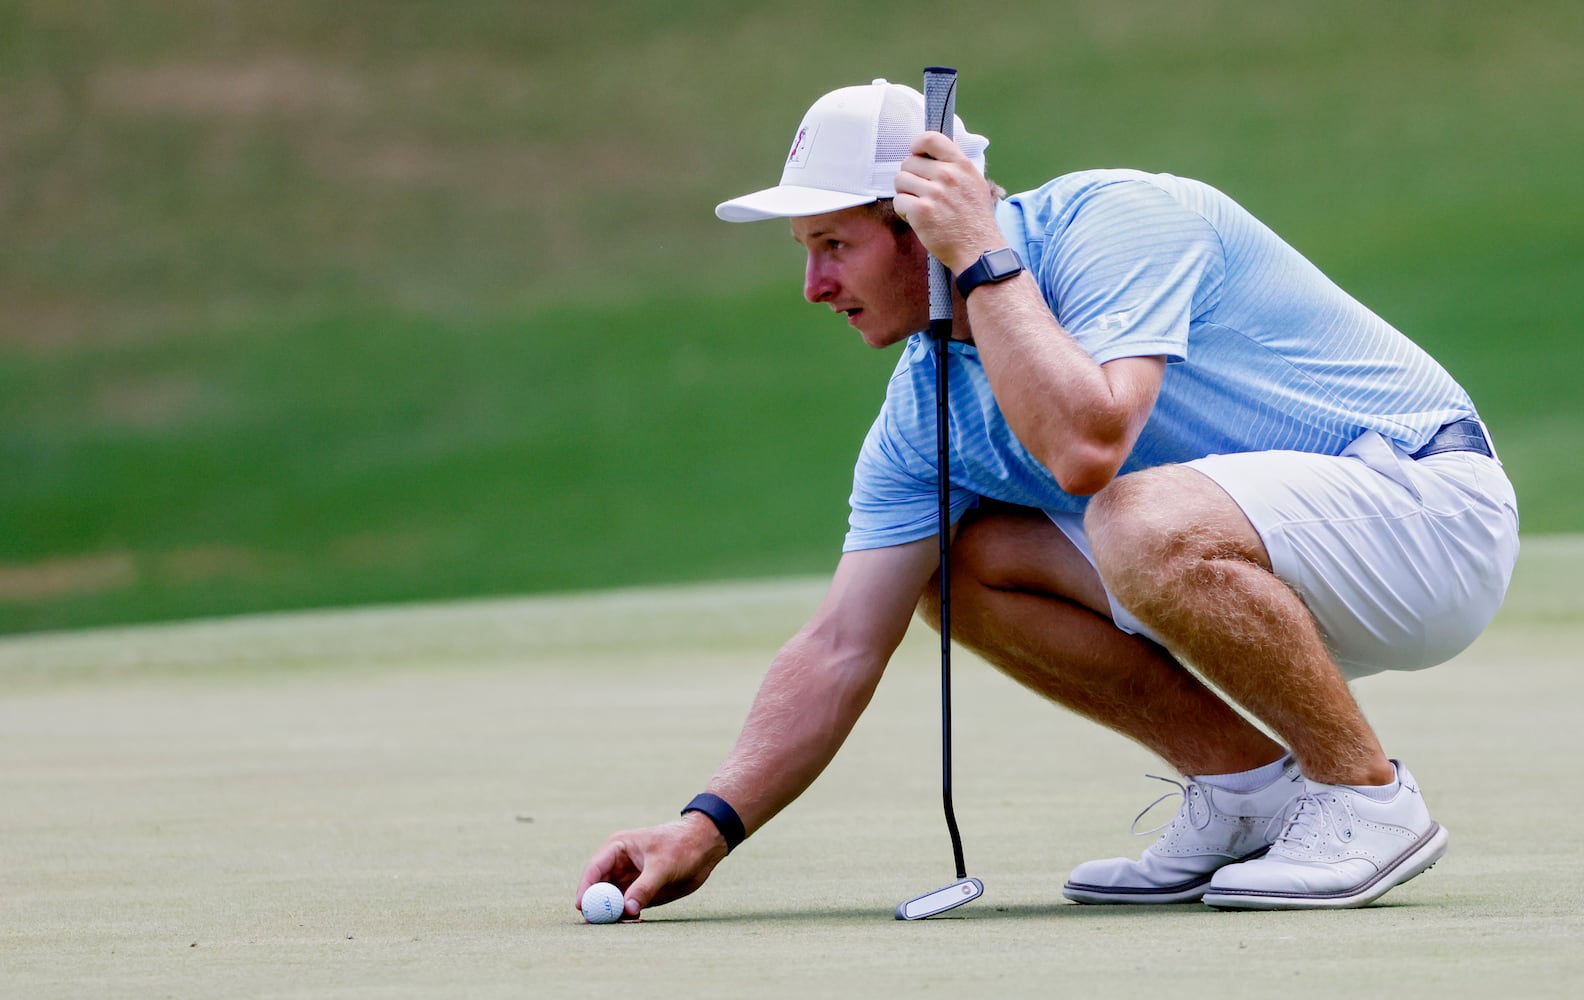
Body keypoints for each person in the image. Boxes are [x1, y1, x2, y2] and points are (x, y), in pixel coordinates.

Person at [576, 78, 1518, 919]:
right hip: (1269, 567)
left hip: (1429, 511)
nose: (815, 286)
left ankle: (1365, 797)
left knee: (1131, 515)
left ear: (927, 213)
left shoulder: (1120, 221)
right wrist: (705, 827)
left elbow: (1088, 445)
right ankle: (1246, 793)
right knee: (952, 570)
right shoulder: (923, 409)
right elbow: (839, 644)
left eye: (833, 245)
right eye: (805, 251)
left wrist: (979, 252)